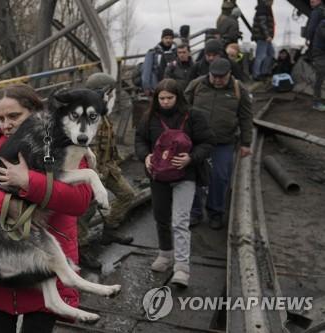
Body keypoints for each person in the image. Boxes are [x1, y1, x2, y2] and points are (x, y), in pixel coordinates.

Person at [0, 84, 93, 333]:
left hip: (47, 260)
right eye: (1, 118)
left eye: (14, 116)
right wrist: (8, 204)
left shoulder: (61, 141)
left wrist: (29, 182)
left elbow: (80, 200)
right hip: (2, 261)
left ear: (35, 113)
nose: (6, 124)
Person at [135, 79, 215, 287]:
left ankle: (181, 267)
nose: (165, 102)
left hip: (185, 175)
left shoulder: (193, 116)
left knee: (180, 220)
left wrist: (191, 158)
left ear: (178, 97)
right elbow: (140, 140)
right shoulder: (149, 117)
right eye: (161, 98)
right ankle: (165, 254)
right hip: (158, 174)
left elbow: (207, 142)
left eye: (169, 98)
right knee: (161, 217)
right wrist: (145, 156)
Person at [185, 58, 253, 230]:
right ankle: (194, 211)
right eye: (214, 76)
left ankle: (215, 212)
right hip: (197, 141)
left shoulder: (239, 90)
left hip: (223, 141)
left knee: (220, 177)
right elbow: (183, 109)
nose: (217, 80)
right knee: (192, 176)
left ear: (229, 74)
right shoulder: (196, 85)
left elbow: (246, 117)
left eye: (221, 77)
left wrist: (246, 143)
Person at [77, 73, 136, 270]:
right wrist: (94, 174)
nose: (112, 95)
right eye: (109, 92)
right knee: (87, 210)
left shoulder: (101, 111)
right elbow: (84, 149)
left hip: (107, 166)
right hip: (92, 171)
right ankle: (80, 248)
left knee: (127, 194)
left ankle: (109, 230)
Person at [141, 28, 177, 96]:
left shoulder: (176, 52)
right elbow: (146, 70)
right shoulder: (153, 52)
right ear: (162, 38)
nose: (168, 40)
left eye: (170, 38)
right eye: (166, 38)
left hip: (172, 87)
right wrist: (146, 87)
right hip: (156, 86)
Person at [305, 0, 325, 111]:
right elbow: (313, 27)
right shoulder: (320, 17)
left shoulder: (318, 12)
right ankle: (316, 102)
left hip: (319, 50)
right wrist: (308, 38)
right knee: (320, 77)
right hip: (320, 52)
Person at [251, 0, 275, 80]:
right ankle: (256, 75)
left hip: (265, 37)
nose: (272, 2)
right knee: (260, 56)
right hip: (263, 37)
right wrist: (267, 35)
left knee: (270, 53)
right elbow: (263, 23)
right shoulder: (263, 9)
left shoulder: (266, 9)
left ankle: (264, 72)